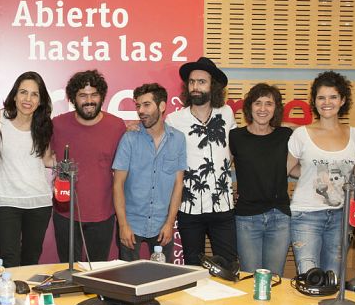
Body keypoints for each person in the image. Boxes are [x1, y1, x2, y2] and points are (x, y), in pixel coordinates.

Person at [287, 71, 355, 275]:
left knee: (333, 278)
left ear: (343, 100)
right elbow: (288, 169)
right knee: (310, 278)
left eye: (333, 97)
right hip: (306, 215)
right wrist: (310, 174)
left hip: (341, 216)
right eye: (321, 97)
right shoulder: (301, 134)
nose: (326, 102)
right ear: (314, 101)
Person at [166, 57, 237, 266]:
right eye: (192, 82)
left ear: (212, 86)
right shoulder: (174, 120)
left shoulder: (226, 113)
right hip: (189, 208)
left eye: (201, 82)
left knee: (228, 266)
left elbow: (233, 149)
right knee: (192, 268)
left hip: (223, 206)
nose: (195, 87)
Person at [50, 69, 125, 264]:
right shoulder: (57, 125)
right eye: (83, 95)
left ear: (102, 97)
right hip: (65, 213)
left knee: (97, 271)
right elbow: (42, 157)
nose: (89, 100)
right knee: (69, 270)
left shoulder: (117, 126)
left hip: (103, 214)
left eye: (94, 95)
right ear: (73, 99)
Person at [112, 83, 186, 262]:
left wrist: (170, 224)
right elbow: (118, 184)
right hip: (131, 224)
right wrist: (123, 225)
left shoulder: (178, 139)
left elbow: (178, 184)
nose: (140, 111)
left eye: (146, 105)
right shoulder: (129, 139)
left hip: (162, 226)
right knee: (127, 281)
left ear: (161, 106)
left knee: (162, 282)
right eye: (138, 106)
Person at [229, 83, 293, 276]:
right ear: (249, 107)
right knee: (250, 279)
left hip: (279, 217)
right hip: (247, 218)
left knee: (274, 280)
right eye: (258, 103)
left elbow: (296, 167)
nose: (263, 109)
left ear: (276, 109)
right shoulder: (235, 136)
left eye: (269, 104)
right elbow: (221, 169)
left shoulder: (285, 135)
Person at [0, 71, 54, 267]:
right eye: (23, 92)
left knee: (30, 260)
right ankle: (9, 298)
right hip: (6, 201)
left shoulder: (44, 125)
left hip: (38, 203)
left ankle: (27, 298)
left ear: (40, 100)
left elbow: (46, 160)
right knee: (9, 260)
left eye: (34, 94)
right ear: (14, 95)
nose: (28, 99)